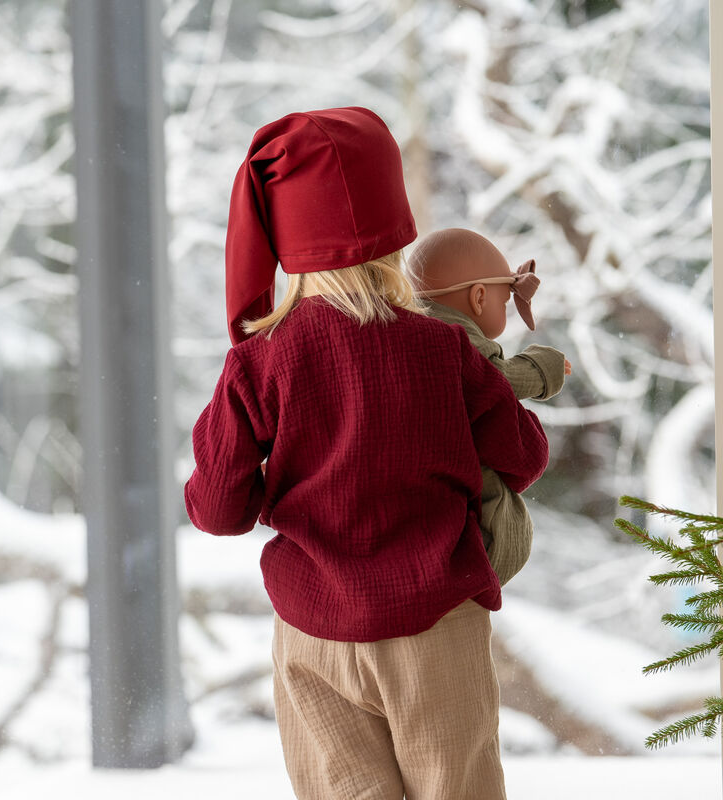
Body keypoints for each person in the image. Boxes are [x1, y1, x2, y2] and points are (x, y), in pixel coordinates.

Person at [184, 107, 549, 800]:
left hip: (314, 633)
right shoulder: (443, 347)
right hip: (436, 623)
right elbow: (524, 456)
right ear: (395, 229)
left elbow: (218, 511)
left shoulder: (259, 363)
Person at [408, 228, 571, 586]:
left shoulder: (403, 334)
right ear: (479, 297)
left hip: (416, 487)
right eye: (504, 303)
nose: (506, 311)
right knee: (500, 513)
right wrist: (542, 369)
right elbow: (497, 381)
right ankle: (482, 566)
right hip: (472, 528)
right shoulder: (459, 340)